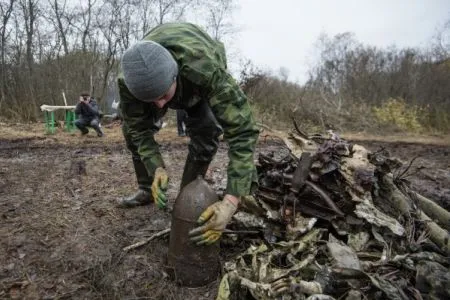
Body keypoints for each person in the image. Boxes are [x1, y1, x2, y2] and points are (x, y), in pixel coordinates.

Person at [116, 23, 259, 245]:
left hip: (194, 78)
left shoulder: (204, 69)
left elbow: (242, 131)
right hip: (164, 78)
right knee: (131, 133)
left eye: (163, 96)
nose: (160, 105)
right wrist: (157, 168)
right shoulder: (129, 81)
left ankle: (188, 196)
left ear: (175, 77)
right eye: (151, 100)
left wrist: (231, 200)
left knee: (207, 133)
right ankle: (147, 188)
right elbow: (138, 129)